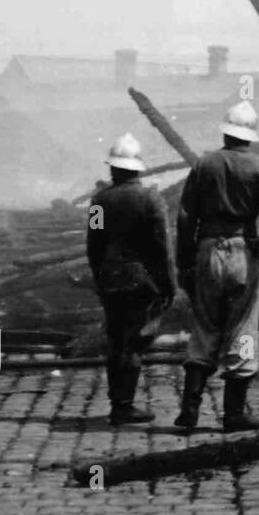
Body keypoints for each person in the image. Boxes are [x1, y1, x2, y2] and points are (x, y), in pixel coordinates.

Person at [174, 101, 259, 433]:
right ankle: (233, 414)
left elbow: (186, 217)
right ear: (251, 136)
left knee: (204, 327)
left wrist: (185, 263)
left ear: (225, 131)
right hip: (243, 255)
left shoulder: (204, 165)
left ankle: (189, 410)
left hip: (206, 251)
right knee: (242, 330)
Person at [86, 133, 176, 426]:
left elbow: (93, 245)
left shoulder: (99, 201)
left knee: (116, 342)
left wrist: (99, 279)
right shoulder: (151, 199)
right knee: (134, 343)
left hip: (110, 279)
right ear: (137, 168)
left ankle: (118, 403)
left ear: (113, 169)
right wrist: (168, 285)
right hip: (140, 282)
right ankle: (124, 407)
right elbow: (163, 247)